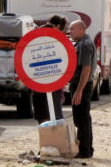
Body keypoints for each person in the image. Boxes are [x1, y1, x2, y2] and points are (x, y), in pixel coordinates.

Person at [32, 15, 68, 124]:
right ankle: (56, 137)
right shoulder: (58, 38)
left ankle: (46, 136)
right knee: (55, 114)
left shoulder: (35, 35)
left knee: (42, 114)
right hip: (54, 80)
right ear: (57, 26)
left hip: (37, 80)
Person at [69, 20, 97, 158]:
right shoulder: (82, 43)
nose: (70, 32)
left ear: (81, 29)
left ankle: (84, 150)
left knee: (82, 119)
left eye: (72, 29)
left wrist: (79, 91)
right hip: (80, 84)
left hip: (82, 85)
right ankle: (85, 149)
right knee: (81, 118)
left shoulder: (85, 45)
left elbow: (86, 69)